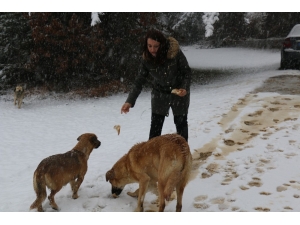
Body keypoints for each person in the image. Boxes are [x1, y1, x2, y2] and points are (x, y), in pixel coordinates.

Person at [121, 29, 191, 142]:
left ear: (162, 45)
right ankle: (152, 157)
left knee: (181, 124)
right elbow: (139, 81)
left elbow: (186, 72)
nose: (152, 50)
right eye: (149, 46)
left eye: (156, 46)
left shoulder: (174, 52)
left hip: (179, 93)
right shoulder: (146, 59)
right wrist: (129, 101)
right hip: (159, 94)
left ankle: (184, 155)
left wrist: (184, 87)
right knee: (155, 129)